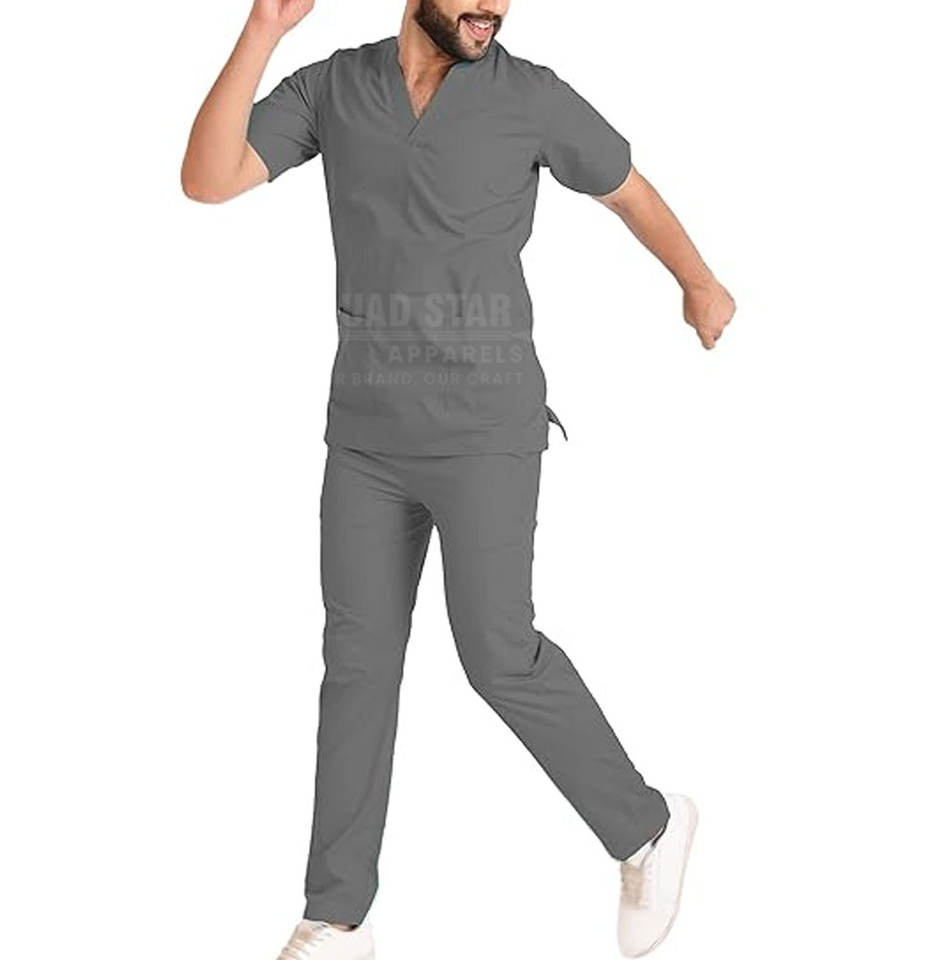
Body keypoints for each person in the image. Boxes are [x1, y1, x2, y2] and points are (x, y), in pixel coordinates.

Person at [182, 1, 734, 956]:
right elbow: (208, 179)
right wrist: (265, 28)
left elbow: (628, 191)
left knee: (497, 653)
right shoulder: (336, 87)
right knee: (357, 668)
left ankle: (647, 826)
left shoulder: (532, 98)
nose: (493, 6)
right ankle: (335, 915)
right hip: (366, 441)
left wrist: (698, 281)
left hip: (486, 431)